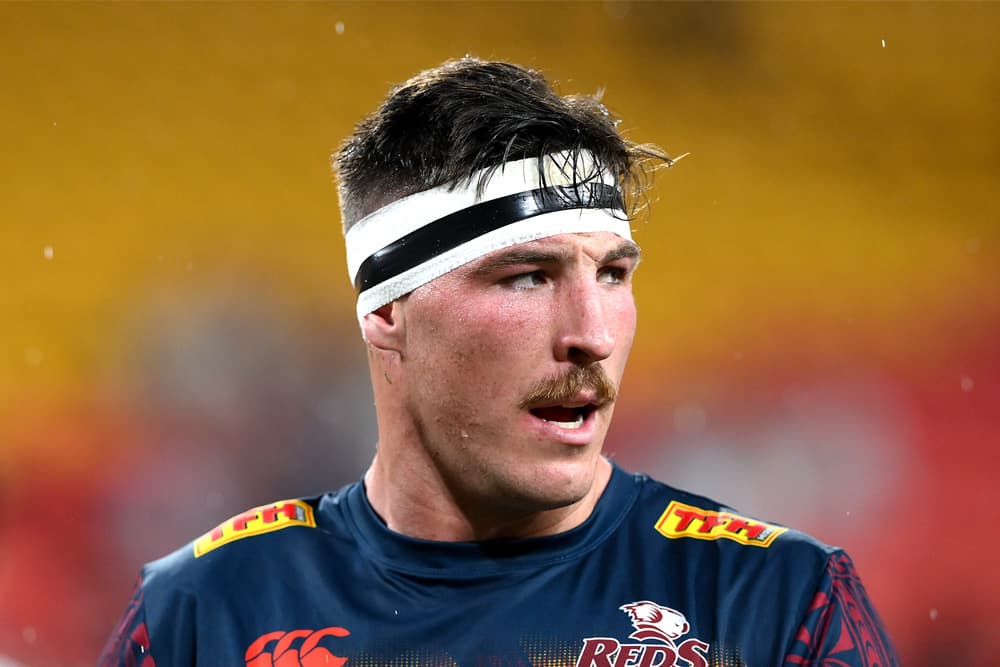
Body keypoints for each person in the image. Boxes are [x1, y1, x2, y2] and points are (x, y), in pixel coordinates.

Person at [99, 59, 899, 667]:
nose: (592, 332)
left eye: (613, 274)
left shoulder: (776, 602)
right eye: (528, 277)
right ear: (386, 311)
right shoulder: (206, 610)